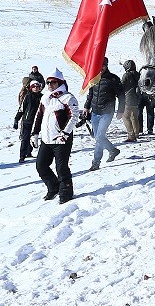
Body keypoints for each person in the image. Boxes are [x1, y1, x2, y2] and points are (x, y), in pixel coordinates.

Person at [34, 69, 80, 202]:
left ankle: (66, 193)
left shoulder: (68, 98)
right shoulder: (45, 98)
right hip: (46, 139)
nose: (49, 85)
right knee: (41, 165)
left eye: (52, 82)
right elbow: (39, 116)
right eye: (47, 82)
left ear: (59, 83)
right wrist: (35, 133)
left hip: (61, 139)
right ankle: (53, 187)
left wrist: (65, 133)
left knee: (61, 168)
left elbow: (74, 116)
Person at [82, 58, 124, 170]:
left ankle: (96, 162)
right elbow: (90, 94)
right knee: (97, 137)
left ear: (106, 66)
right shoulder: (94, 78)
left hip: (107, 112)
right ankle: (112, 150)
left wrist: (121, 110)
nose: (101, 68)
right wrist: (86, 107)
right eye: (99, 65)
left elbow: (121, 96)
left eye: (103, 65)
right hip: (95, 112)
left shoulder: (113, 79)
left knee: (100, 136)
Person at [18, 79, 43, 163]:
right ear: (31, 88)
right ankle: (22, 155)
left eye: (37, 86)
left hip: (38, 121)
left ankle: (34, 152)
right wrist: (16, 118)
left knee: (36, 137)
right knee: (25, 138)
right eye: (34, 87)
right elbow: (22, 108)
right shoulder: (28, 97)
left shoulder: (42, 97)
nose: (36, 88)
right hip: (27, 120)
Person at [119, 60, 143, 142]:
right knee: (134, 117)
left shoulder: (126, 75)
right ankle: (136, 133)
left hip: (128, 98)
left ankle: (131, 135)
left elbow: (122, 86)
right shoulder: (138, 74)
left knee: (125, 117)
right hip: (137, 98)